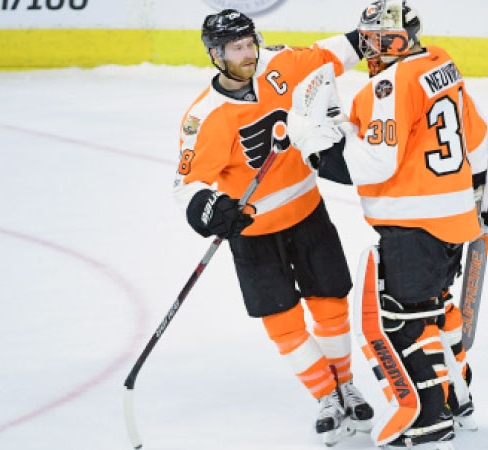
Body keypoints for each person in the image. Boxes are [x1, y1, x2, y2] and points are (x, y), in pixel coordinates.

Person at [286, 1, 488, 447]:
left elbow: (374, 164)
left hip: (414, 222)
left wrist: (317, 147)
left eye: (378, 39)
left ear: (400, 38)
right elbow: (479, 136)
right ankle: (457, 398)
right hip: (453, 217)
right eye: (366, 37)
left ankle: (426, 422)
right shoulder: (439, 63)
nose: (370, 47)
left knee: (400, 322)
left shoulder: (386, 86)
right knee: (438, 309)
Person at [171, 9, 374, 446]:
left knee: (331, 301)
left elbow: (331, 54)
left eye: (250, 43)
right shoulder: (204, 115)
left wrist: (373, 31)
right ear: (215, 54)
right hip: (253, 232)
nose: (247, 54)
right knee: (281, 318)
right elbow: (186, 186)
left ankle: (345, 385)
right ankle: (325, 394)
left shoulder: (282, 63)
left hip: (307, 213)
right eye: (236, 48)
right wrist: (211, 209)